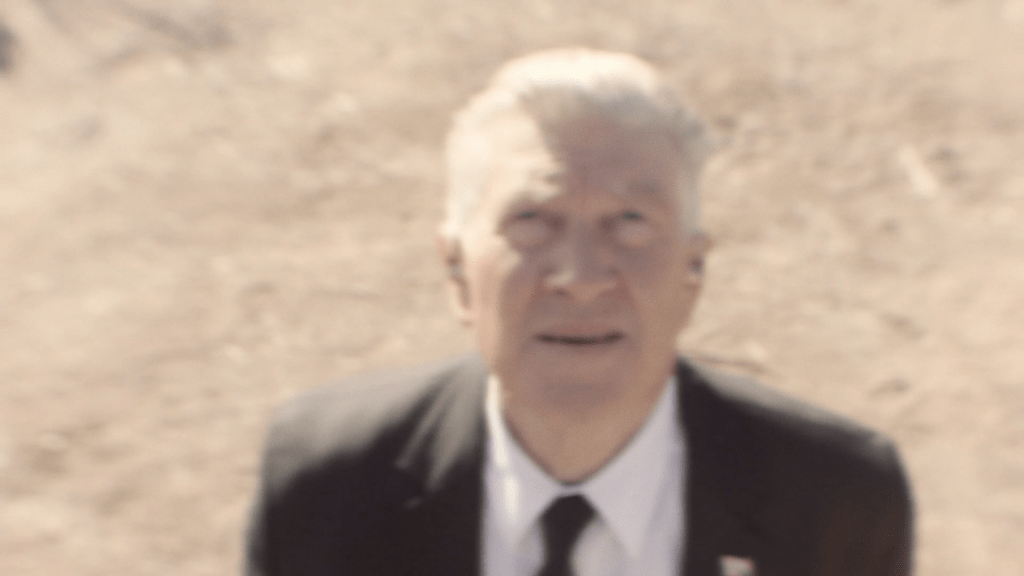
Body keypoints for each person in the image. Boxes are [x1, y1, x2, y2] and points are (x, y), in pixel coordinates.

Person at [244, 48, 913, 576]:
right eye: (533, 221)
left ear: (694, 270)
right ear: (456, 272)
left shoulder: (837, 498)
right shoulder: (328, 479)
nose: (581, 279)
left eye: (631, 222)